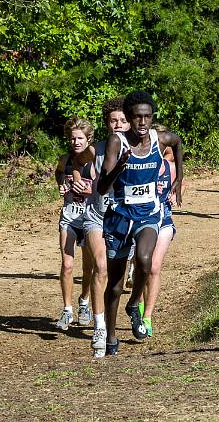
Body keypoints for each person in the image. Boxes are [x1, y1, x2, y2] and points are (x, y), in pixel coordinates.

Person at [98, 90, 184, 356]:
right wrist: (118, 169)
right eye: (137, 117)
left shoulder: (160, 140)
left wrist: (178, 179)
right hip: (120, 216)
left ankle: (134, 304)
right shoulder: (117, 142)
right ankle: (111, 337)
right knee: (114, 282)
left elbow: (178, 143)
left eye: (147, 117)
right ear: (129, 118)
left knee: (146, 260)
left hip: (148, 213)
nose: (143, 123)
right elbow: (102, 187)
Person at [83, 98, 130, 358]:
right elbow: (69, 161)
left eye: (122, 120)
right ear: (106, 124)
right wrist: (74, 181)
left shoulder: (139, 148)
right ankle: (99, 327)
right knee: (100, 267)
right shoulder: (96, 149)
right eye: (113, 121)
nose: (118, 125)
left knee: (118, 277)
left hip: (124, 217)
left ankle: (129, 314)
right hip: (96, 215)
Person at [139, 128, 187, 338]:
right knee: (140, 266)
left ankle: (147, 317)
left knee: (154, 267)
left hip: (164, 219)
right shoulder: (139, 165)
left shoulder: (170, 166)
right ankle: (137, 309)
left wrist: (176, 191)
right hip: (140, 219)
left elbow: (181, 183)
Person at [53, 117, 95, 330]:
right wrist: (61, 185)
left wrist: (90, 191)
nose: (76, 142)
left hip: (90, 219)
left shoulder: (96, 161)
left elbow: (104, 189)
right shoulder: (65, 159)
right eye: (72, 138)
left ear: (89, 139)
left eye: (80, 138)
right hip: (69, 217)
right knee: (67, 265)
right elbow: (59, 173)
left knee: (88, 268)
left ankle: (84, 302)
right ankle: (67, 310)